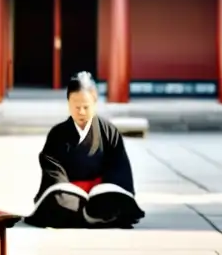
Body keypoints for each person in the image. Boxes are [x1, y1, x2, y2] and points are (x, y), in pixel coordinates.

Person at [25, 72, 145, 229]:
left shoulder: (109, 132)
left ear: (95, 102)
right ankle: (89, 215)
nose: (81, 112)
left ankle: (92, 212)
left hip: (101, 195)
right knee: (58, 201)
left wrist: (104, 190)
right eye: (76, 106)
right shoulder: (57, 134)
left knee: (112, 201)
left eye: (86, 107)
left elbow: (119, 168)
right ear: (68, 103)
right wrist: (70, 191)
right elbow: (53, 171)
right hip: (69, 196)